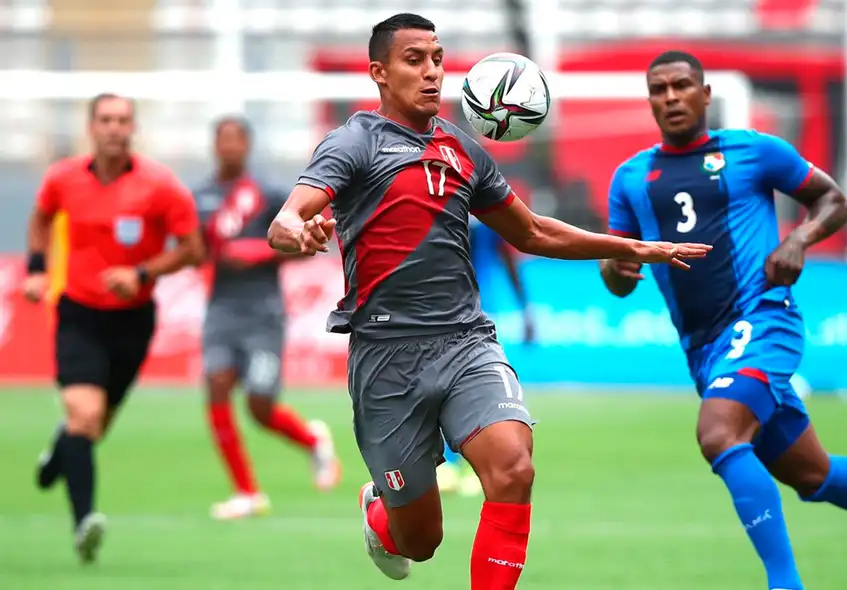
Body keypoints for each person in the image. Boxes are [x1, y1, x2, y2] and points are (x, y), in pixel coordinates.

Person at [267, 13, 712, 589]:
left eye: (437, 58)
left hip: (464, 343)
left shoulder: (464, 151)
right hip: (386, 358)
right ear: (379, 73)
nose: (431, 72)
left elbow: (533, 233)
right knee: (421, 541)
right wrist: (295, 232)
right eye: (414, 60)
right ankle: (380, 512)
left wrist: (631, 246)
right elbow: (287, 217)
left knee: (513, 468)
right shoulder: (355, 142)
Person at [599, 50, 847, 590]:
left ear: (705, 94)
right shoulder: (630, 179)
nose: (670, 97)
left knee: (718, 432)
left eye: (681, 86)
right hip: (705, 349)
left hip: (763, 319)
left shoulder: (753, 151)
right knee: (813, 474)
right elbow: (617, 275)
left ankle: (784, 584)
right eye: (659, 89)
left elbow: (834, 202)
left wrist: (797, 240)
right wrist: (618, 266)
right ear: (649, 99)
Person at [23, 93, 204, 563]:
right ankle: (85, 521)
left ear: (133, 128)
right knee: (84, 414)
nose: (114, 128)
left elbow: (193, 249)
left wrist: (141, 273)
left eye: (123, 120)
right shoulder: (62, 178)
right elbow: (41, 217)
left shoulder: (160, 185)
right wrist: (38, 268)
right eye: (105, 119)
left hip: (133, 319)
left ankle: (58, 453)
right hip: (79, 313)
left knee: (93, 425)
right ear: (91, 127)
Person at [193, 116, 341, 520]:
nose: (229, 147)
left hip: (263, 313)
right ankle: (246, 492)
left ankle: (312, 440)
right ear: (214, 145)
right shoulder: (201, 197)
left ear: (248, 145)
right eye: (222, 139)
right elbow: (196, 249)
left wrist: (255, 252)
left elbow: (303, 245)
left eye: (236, 139)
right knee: (217, 386)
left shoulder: (270, 194)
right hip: (221, 311)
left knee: (260, 406)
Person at [437, 216, 534, 496]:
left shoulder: (486, 214)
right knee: (445, 389)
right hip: (445, 314)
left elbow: (508, 257)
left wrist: (525, 307)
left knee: (482, 394)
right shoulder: (442, 209)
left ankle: (471, 467)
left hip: (482, 314)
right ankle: (449, 465)